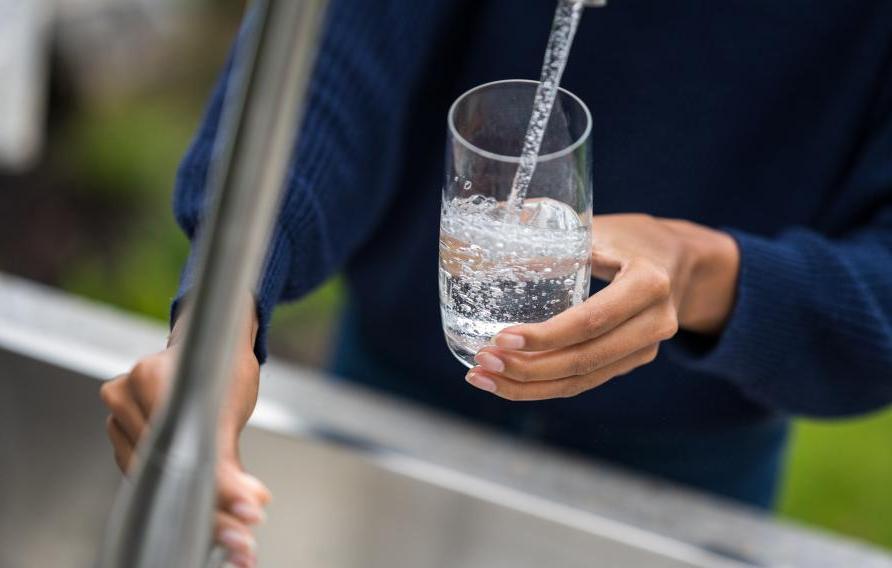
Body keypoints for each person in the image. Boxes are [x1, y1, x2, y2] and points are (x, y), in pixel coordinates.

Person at [99, 2, 892, 566]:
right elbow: (327, 58)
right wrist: (220, 318)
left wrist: (703, 270)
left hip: (691, 471)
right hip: (391, 399)